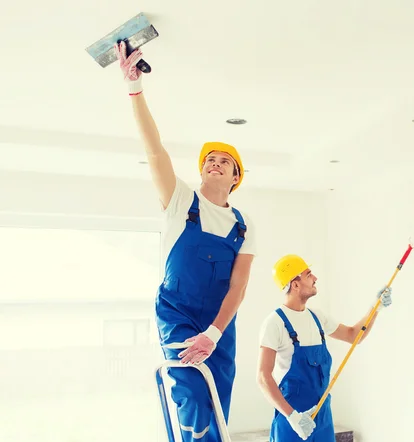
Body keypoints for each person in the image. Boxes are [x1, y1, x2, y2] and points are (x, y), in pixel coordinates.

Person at [114, 42, 257, 442]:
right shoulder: (180, 202)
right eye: (209, 159)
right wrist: (134, 89)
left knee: (218, 402)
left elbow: (239, 286)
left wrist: (214, 333)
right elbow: (154, 149)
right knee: (192, 393)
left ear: (235, 178)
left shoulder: (244, 226)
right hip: (177, 313)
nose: (213, 162)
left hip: (220, 323)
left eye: (223, 161)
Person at [256, 254, 392, 441]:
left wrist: (375, 309)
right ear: (295, 285)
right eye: (308, 274)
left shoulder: (316, 317)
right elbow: (263, 378)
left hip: (323, 419)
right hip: (292, 422)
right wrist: (294, 417)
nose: (315, 278)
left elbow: (354, 335)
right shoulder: (275, 323)